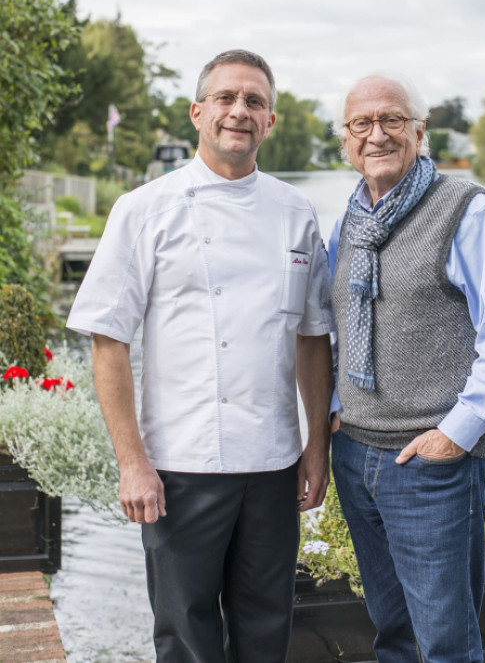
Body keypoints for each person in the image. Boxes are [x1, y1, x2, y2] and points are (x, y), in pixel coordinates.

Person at [66, 49, 334, 663]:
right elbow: (108, 340)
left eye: (255, 102)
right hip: (180, 467)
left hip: (271, 465)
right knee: (187, 638)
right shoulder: (143, 210)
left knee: (267, 631)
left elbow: (312, 337)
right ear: (198, 112)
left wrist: (315, 444)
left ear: (271, 122)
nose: (240, 111)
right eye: (226, 98)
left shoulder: (297, 213)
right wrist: (132, 462)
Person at [328, 74, 485, 663]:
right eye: (362, 124)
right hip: (355, 455)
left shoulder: (464, 210)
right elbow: (336, 327)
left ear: (419, 133)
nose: (377, 134)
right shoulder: (347, 225)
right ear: (346, 143)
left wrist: (455, 436)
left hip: (430, 466)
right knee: (391, 634)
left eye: (392, 120)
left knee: (446, 644)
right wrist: (335, 413)